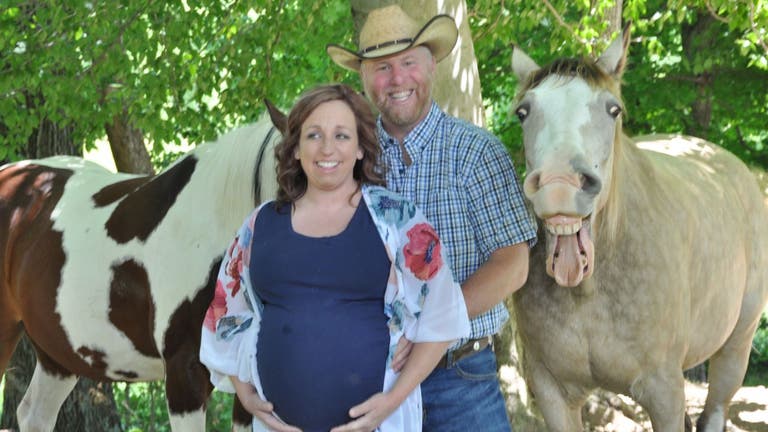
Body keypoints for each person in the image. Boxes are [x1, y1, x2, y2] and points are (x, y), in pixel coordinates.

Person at [199, 83, 470, 432]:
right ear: (295, 148)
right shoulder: (260, 224)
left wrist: (393, 400)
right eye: (313, 135)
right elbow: (227, 315)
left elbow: (443, 316)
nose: (327, 148)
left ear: (360, 149)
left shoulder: (396, 219)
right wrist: (245, 393)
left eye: (342, 135)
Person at [325, 6, 537, 432]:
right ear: (364, 78)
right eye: (382, 67)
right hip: (369, 378)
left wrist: (425, 328)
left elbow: (512, 265)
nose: (397, 79)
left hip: (459, 379)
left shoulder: (477, 153)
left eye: (408, 62)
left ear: (432, 64)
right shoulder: (349, 161)